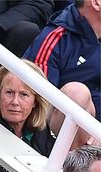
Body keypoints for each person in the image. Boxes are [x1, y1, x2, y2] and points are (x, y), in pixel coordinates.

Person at [23, 0, 100, 145]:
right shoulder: (55, 38)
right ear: (96, 3)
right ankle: (77, 165)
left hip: (95, 128)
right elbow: (40, 102)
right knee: (77, 93)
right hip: (53, 134)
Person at [0, 61, 56, 155]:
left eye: (24, 94)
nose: (15, 102)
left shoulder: (42, 136)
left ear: (35, 101)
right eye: (9, 92)